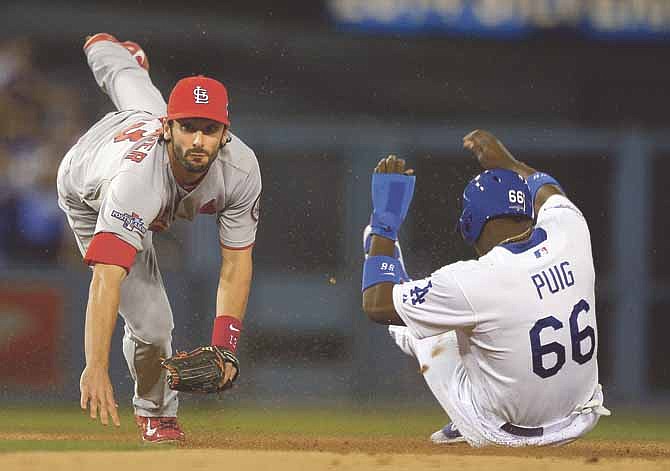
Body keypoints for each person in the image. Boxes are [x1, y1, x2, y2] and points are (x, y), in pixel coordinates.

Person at [56, 33, 261, 443]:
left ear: (226, 133)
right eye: (188, 127)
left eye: (210, 128)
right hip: (89, 187)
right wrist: (94, 363)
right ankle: (157, 414)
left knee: (134, 90)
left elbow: (236, 263)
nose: (199, 140)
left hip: (143, 124)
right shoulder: (135, 183)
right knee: (153, 326)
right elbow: (106, 278)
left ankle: (108, 50)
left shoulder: (240, 169)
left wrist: (225, 347)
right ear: (171, 129)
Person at [361, 130, 609, 447]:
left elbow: (377, 304)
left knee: (427, 336)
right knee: (464, 320)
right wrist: (509, 162)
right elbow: (546, 187)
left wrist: (383, 224)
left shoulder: (473, 279)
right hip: (581, 417)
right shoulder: (571, 229)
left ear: (470, 224)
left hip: (504, 434)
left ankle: (467, 414)